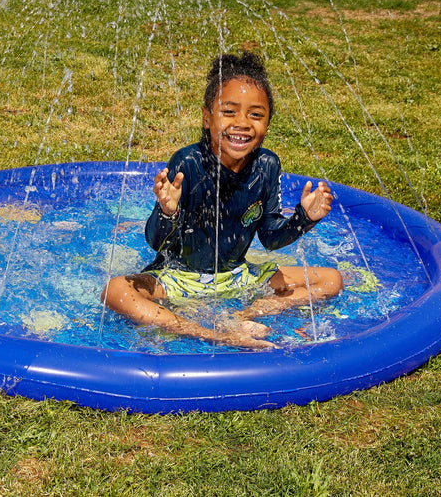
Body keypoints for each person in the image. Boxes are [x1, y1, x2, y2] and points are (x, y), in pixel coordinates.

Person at [102, 51, 343, 348]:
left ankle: (247, 314)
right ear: (207, 118)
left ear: (267, 123)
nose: (242, 123)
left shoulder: (267, 166)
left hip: (237, 276)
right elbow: (156, 243)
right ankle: (215, 334)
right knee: (115, 291)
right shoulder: (188, 163)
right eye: (229, 112)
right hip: (178, 277)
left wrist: (304, 219)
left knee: (331, 280)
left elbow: (269, 237)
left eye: (255, 115)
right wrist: (167, 212)